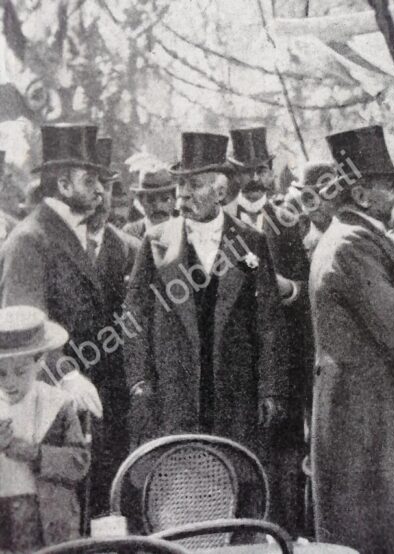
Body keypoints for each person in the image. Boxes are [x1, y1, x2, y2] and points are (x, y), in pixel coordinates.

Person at [125, 131, 289, 454]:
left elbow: (269, 322)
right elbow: (134, 315)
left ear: (221, 190)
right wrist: (139, 380)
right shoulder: (156, 241)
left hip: (233, 393)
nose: (183, 196)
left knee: (233, 476)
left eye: (195, 185)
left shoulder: (250, 241)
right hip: (173, 393)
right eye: (180, 185)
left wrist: (271, 389)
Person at [310, 125, 394, 554]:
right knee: (382, 536)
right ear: (361, 195)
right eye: (390, 185)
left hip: (366, 418)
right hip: (369, 424)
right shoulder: (353, 244)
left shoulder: (352, 238)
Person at [0, 123, 109, 518]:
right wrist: (66, 374)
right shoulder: (30, 241)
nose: (100, 190)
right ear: (63, 184)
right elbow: (21, 333)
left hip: (80, 411)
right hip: (43, 420)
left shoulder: (66, 232)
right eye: (90, 179)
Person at [229, 127, 312, 534]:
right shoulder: (219, 221)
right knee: (241, 456)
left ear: (270, 170)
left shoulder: (288, 221)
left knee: (286, 458)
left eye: (260, 169)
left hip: (285, 357)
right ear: (232, 175)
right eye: (245, 170)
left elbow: (310, 286)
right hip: (237, 360)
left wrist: (289, 290)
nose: (254, 179)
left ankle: (287, 537)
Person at [0, 305, 90, 552]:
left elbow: (79, 462)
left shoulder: (57, 405)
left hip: (50, 519)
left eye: (20, 372)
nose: (10, 382)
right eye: (1, 373)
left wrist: (35, 454)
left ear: (39, 362)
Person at [86, 136, 140, 496]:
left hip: (119, 385)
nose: (100, 196)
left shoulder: (131, 249)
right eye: (92, 186)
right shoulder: (47, 248)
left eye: (106, 186)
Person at [123, 167, 176, 242]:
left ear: (175, 200)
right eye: (150, 200)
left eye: (165, 199)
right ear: (141, 201)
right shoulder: (130, 233)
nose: (158, 207)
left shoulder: (183, 231)